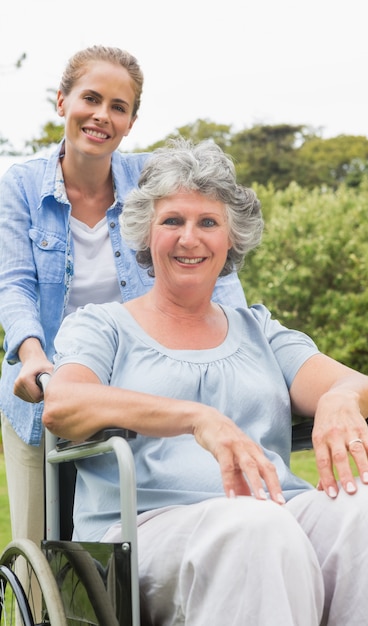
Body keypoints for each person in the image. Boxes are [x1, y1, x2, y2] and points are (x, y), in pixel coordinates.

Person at [43, 138, 368, 626]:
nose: (189, 238)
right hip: (145, 528)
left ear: (231, 238)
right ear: (145, 233)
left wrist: (342, 399)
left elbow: (359, 385)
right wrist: (196, 419)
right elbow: (63, 404)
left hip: (275, 508)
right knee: (258, 527)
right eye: (172, 220)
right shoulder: (103, 325)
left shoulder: (257, 329)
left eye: (208, 222)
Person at [0, 47, 246, 549]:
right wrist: (32, 356)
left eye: (118, 106)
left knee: (154, 526)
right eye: (90, 99)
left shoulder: (152, 179)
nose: (101, 116)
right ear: (61, 101)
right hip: (46, 380)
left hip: (140, 374)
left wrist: (242, 344)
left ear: (131, 121)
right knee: (40, 545)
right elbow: (15, 284)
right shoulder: (19, 186)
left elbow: (209, 263)